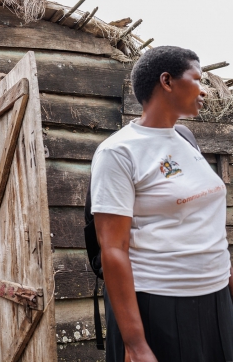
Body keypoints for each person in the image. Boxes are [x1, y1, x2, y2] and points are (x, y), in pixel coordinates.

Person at [90, 46, 233, 362]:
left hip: (215, 298)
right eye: (197, 79)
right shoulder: (119, 153)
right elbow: (113, 247)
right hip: (161, 304)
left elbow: (207, 226)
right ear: (167, 81)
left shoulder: (185, 139)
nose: (205, 91)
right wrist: (135, 344)